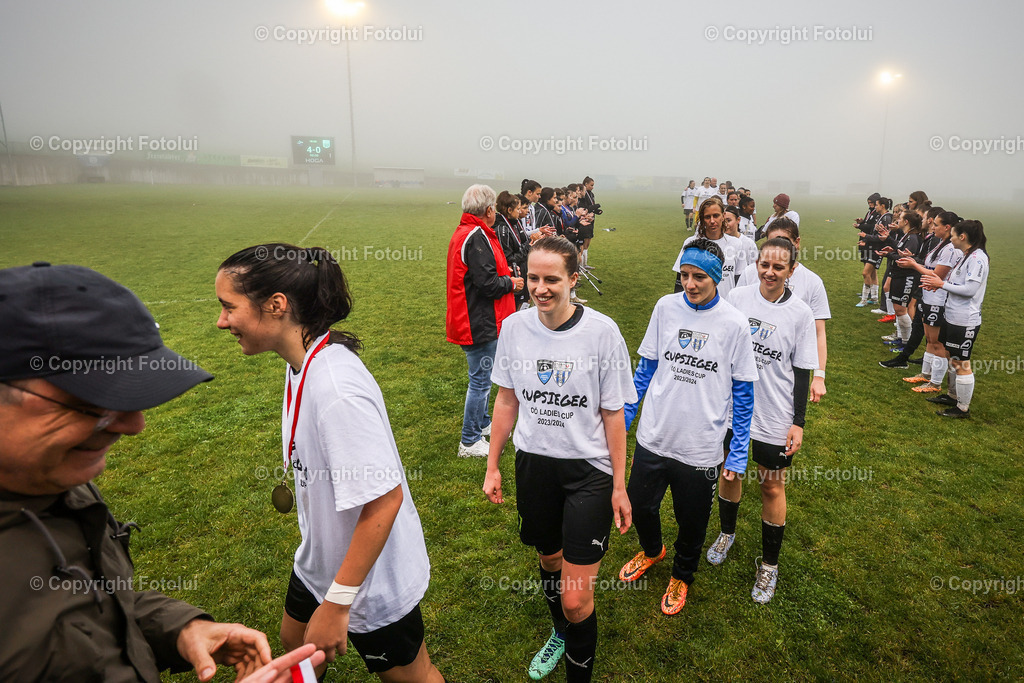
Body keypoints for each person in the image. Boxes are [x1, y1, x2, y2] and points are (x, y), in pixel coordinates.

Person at [0, 262, 327, 683]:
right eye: (92, 401)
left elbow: (84, 606)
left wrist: (179, 628)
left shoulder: (56, 484)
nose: (133, 426)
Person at [216, 245, 444, 681]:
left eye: (229, 307)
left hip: (369, 580)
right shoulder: (303, 360)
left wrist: (339, 602)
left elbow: (385, 500)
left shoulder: (335, 388)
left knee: (412, 677)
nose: (222, 320)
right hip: (320, 559)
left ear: (276, 305)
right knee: (294, 643)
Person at [483, 236, 636, 681]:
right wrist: (493, 465)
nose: (540, 288)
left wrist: (620, 485)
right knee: (549, 561)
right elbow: (507, 400)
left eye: (552, 279)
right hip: (534, 466)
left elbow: (614, 413)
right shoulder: (514, 328)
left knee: (576, 598)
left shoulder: (602, 332)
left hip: (589, 473)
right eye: (532, 278)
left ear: (573, 278)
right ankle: (560, 632)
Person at [618, 239, 758, 615]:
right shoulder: (665, 307)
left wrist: (739, 448)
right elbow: (645, 369)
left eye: (698, 277)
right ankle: (652, 551)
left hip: (701, 447)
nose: (690, 284)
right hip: (654, 436)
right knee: (639, 506)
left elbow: (744, 394)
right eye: (684, 275)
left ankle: (682, 574)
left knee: (692, 521)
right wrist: (626, 419)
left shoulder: (734, 323)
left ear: (715, 276)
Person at [706, 238, 818, 604]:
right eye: (764, 264)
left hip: (774, 413)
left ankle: (769, 565)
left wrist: (797, 421)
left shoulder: (800, 313)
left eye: (779, 267)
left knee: (771, 486)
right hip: (732, 410)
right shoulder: (738, 297)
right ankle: (727, 532)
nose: (769, 272)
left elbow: (803, 370)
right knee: (729, 472)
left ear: (792, 270)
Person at [446, 185, 525, 457]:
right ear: (489, 210)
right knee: (480, 380)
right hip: (478, 320)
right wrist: (511, 283)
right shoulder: (476, 235)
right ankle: (468, 441)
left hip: (474, 317)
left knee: (483, 377)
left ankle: (481, 423)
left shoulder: (467, 231)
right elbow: (486, 283)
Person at [736, 219, 830, 402]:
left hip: (784, 366)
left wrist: (819, 376)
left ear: (797, 242)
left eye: (785, 240)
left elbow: (819, 333)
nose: (779, 246)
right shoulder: (750, 273)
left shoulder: (813, 282)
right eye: (773, 241)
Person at [921, 220, 989, 418]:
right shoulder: (967, 255)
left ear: (963, 237)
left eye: (953, 235)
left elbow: (969, 290)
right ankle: (952, 395)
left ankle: (962, 408)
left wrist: (941, 284)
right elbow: (955, 282)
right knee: (952, 357)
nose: (950, 239)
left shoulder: (977, 258)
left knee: (961, 363)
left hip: (965, 319)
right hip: (952, 316)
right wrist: (939, 284)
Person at [889, 211, 961, 381]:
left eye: (936, 224)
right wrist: (911, 258)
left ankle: (935, 382)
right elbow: (928, 264)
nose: (932, 226)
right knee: (929, 340)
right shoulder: (941, 243)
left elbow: (937, 275)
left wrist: (913, 264)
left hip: (938, 298)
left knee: (937, 343)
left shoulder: (950, 249)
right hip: (929, 297)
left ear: (947, 227)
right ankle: (925, 374)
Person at [671, 197, 744, 297]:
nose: (712, 221)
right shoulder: (691, 242)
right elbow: (680, 278)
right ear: (702, 219)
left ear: (723, 216)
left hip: (727, 305)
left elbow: (739, 279)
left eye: (716, 215)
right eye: (707, 217)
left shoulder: (736, 243)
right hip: (698, 305)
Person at [495, 190, 530, 309]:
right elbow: (509, 259)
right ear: (509, 210)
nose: (520, 211)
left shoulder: (513, 223)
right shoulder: (502, 228)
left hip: (520, 272)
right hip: (511, 277)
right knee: (514, 309)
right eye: (518, 208)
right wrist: (529, 245)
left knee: (523, 302)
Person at [855, 193, 882, 307]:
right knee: (872, 272)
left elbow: (871, 228)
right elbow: (868, 225)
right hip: (867, 243)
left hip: (872, 246)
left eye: (873, 203)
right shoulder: (871, 212)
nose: (871, 205)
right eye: (869, 203)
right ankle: (874, 297)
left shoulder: (880, 215)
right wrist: (862, 222)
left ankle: (865, 299)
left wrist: (860, 226)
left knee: (866, 272)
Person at [577, 176, 599, 270]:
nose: (592, 187)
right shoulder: (583, 196)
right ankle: (581, 266)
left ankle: (585, 264)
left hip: (591, 220)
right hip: (584, 221)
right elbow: (585, 207)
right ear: (585, 185)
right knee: (583, 244)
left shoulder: (591, 194)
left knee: (587, 243)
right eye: (591, 185)